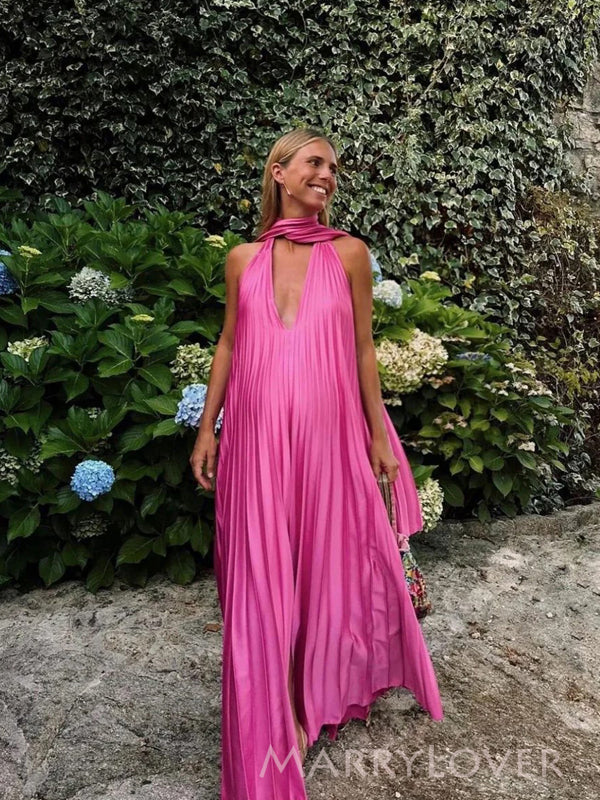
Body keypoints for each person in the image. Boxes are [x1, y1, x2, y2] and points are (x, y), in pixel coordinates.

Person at [190, 127, 443, 800]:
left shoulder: (350, 254)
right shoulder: (242, 259)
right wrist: (207, 427)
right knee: (258, 579)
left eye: (332, 167)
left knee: (321, 567)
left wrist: (378, 436)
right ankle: (269, 723)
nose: (327, 174)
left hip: (330, 442)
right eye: (314, 162)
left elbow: (362, 349)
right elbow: (228, 343)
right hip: (254, 443)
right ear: (279, 172)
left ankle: (304, 703)